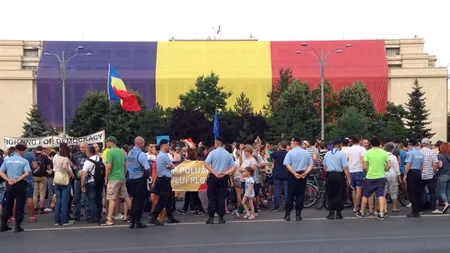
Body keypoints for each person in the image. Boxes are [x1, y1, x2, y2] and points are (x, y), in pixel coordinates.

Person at [355, 136, 391, 220]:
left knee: (365, 195)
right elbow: (389, 165)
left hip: (370, 177)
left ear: (370, 144)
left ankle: (362, 212)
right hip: (381, 176)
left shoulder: (368, 152)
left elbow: (364, 166)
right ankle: (381, 213)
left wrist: (367, 171)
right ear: (379, 144)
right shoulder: (384, 152)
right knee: (381, 195)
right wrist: (385, 169)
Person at [204, 137, 236, 224]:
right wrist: (225, 173)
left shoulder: (212, 153)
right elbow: (233, 167)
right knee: (222, 197)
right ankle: (221, 217)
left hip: (213, 177)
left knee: (212, 196)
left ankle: (211, 217)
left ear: (216, 143)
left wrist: (214, 172)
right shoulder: (228, 154)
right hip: (223, 177)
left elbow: (206, 164)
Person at [0, 144, 31, 232]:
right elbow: (27, 173)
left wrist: (8, 179)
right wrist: (17, 180)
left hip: (10, 184)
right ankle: (17, 226)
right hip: (20, 184)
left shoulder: (7, 160)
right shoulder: (24, 161)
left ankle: (4, 224)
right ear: (22, 151)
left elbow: (1, 172)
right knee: (19, 205)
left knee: (8, 204)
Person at [150, 139, 180, 226]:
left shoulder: (161, 155)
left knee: (169, 199)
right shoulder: (163, 156)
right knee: (163, 200)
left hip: (162, 179)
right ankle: (154, 217)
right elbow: (172, 166)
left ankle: (170, 217)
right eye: (167, 145)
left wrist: (170, 166)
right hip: (164, 180)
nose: (169, 146)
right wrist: (170, 166)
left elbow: (171, 165)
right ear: (163, 145)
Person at [103, 136, 132, 226]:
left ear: (111, 142)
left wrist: (106, 177)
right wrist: (123, 174)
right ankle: (135, 214)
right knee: (126, 196)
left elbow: (108, 166)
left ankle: (109, 218)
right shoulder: (121, 151)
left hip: (113, 178)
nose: (106, 144)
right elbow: (125, 165)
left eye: (107, 142)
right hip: (121, 177)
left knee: (112, 198)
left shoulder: (109, 152)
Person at [283, 137, 313, 221]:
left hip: (293, 175)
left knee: (290, 195)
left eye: (292, 143)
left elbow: (287, 164)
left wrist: (294, 173)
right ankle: (298, 215)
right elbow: (311, 164)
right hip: (302, 174)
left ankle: (288, 214)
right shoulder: (306, 153)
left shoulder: (290, 153)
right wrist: (306, 172)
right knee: (300, 195)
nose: (291, 144)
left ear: (295, 143)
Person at [126, 137, 151, 228]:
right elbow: (147, 168)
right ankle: (137, 220)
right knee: (139, 201)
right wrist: (148, 176)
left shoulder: (129, 153)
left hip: (131, 179)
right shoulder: (141, 154)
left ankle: (132, 220)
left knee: (134, 200)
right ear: (141, 144)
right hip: (140, 179)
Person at [323, 139, 350, 219]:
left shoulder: (327, 154)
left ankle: (331, 213)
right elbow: (345, 167)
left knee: (330, 194)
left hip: (329, 175)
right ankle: (338, 213)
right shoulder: (341, 154)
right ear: (338, 145)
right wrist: (348, 178)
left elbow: (324, 166)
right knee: (339, 194)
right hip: (339, 175)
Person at [80, 146, 103, 224]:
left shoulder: (88, 161)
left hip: (91, 182)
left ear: (89, 152)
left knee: (91, 200)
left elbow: (83, 174)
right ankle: (99, 216)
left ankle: (94, 217)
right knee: (99, 199)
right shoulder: (101, 159)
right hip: (100, 182)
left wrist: (82, 185)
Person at [53, 145, 75, 226]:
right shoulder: (65, 158)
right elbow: (65, 166)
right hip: (65, 181)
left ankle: (57, 220)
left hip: (57, 180)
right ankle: (65, 220)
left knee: (58, 202)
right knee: (65, 202)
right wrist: (70, 174)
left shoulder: (56, 157)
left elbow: (54, 169)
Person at [404, 138, 424, 218]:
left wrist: (405, 174)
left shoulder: (410, 153)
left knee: (412, 191)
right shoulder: (421, 153)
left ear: (410, 144)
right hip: (418, 172)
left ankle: (415, 210)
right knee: (418, 191)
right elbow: (422, 165)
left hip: (412, 172)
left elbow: (408, 164)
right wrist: (421, 173)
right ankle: (419, 209)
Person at [420, 138, 440, 214]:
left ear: (421, 144)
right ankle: (433, 208)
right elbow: (435, 164)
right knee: (432, 192)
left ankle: (421, 208)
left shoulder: (419, 152)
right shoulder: (432, 152)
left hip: (421, 174)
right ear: (428, 144)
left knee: (421, 192)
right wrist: (434, 172)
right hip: (430, 175)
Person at [347, 136, 366, 213]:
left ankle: (355, 206)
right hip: (359, 170)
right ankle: (356, 207)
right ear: (359, 140)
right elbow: (363, 160)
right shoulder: (362, 149)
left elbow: (347, 160)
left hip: (351, 171)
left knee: (353, 189)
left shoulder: (349, 149)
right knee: (359, 190)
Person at [270, 141, 289, 211]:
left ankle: (276, 206)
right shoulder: (288, 153)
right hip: (286, 173)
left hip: (277, 173)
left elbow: (269, 156)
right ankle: (287, 205)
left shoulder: (276, 153)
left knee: (277, 190)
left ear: (280, 146)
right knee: (286, 190)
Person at [384, 143, 402, 213]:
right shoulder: (393, 157)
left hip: (383, 174)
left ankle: (384, 208)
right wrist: (399, 176)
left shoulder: (382, 155)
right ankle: (394, 207)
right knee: (393, 191)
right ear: (392, 149)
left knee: (383, 192)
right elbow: (396, 168)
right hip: (392, 175)